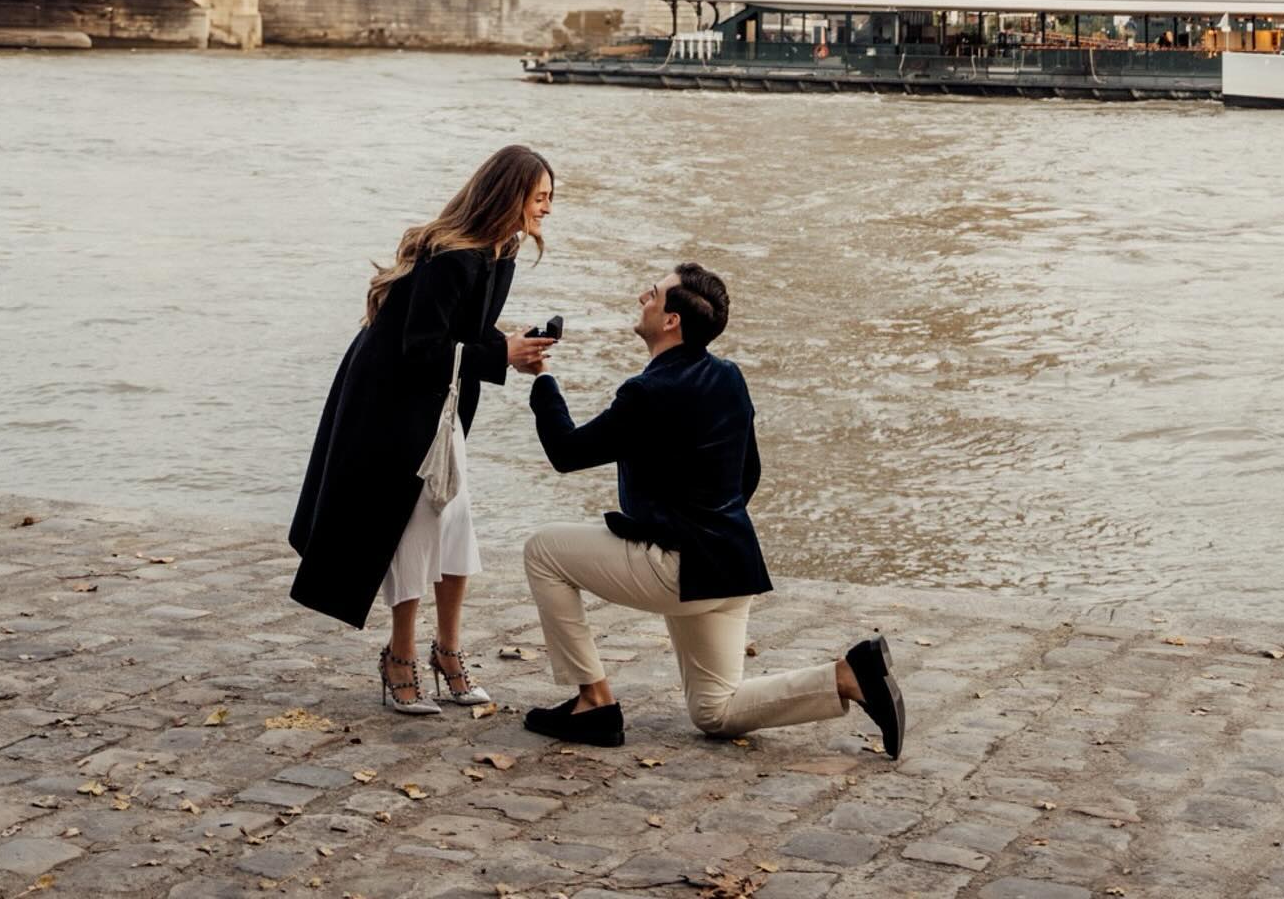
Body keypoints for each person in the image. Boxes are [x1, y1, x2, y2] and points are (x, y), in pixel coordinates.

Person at [517, 264, 904, 757]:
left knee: (542, 549)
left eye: (652, 294)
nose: (642, 296)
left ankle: (593, 702)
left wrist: (542, 378)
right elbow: (749, 476)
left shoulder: (647, 392)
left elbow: (567, 453)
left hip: (679, 566)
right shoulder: (729, 377)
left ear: (671, 320)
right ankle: (849, 676)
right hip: (731, 565)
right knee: (714, 713)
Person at [289, 145, 556, 715]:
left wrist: (512, 351)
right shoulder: (450, 257)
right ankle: (400, 657)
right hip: (391, 404)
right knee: (414, 528)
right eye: (541, 198)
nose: (547, 210)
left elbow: (467, 334)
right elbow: (419, 351)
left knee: (455, 527)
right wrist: (499, 354)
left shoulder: (497, 252)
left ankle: (448, 652)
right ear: (509, 196)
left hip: (435, 406)